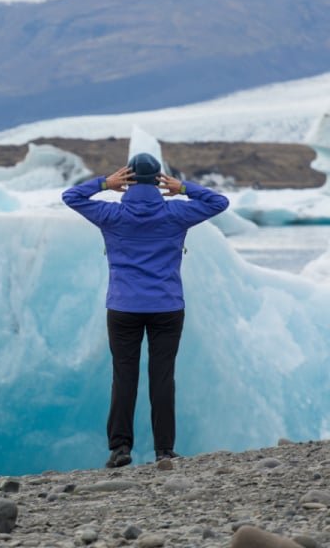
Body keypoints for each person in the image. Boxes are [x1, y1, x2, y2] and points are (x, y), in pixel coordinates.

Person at [61, 152, 229, 468]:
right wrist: (183, 188)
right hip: (166, 307)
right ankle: (164, 450)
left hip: (123, 307)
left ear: (128, 178)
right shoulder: (176, 213)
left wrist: (104, 183)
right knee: (162, 377)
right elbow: (218, 203)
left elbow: (70, 196)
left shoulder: (110, 214)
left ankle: (120, 449)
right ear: (158, 180)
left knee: (124, 377)